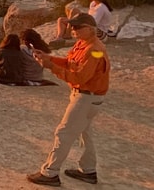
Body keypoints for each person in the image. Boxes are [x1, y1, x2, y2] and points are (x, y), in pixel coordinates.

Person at [26, 13, 111, 186]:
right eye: (72, 26)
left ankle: (50, 173)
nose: (73, 30)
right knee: (85, 134)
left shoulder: (95, 50)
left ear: (90, 28)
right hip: (88, 98)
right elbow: (71, 62)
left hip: (86, 98)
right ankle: (88, 171)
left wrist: (51, 67)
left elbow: (80, 77)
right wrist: (49, 58)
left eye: (77, 27)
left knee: (63, 133)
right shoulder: (84, 44)